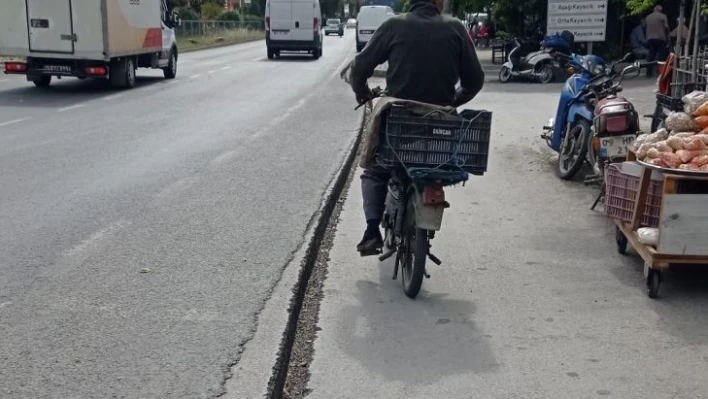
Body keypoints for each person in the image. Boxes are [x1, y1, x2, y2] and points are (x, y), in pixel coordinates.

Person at [347, 0, 485, 255]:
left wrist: (362, 92)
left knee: (375, 171)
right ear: (439, 2)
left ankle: (371, 231)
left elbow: (359, 68)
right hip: (440, 128)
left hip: (400, 124)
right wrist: (452, 101)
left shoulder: (393, 26)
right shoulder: (455, 28)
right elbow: (475, 81)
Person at [645, 5, 669, 77]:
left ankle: (648, 73)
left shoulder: (648, 17)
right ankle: (660, 72)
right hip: (661, 38)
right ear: (660, 10)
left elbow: (645, 27)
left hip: (650, 39)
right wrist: (667, 34)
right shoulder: (663, 16)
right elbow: (666, 27)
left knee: (651, 56)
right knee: (661, 56)